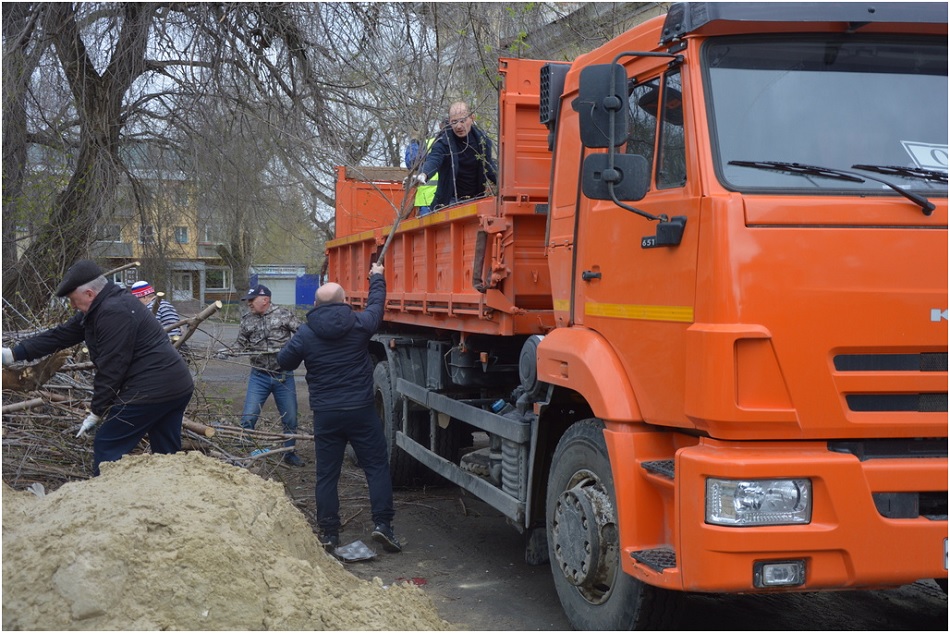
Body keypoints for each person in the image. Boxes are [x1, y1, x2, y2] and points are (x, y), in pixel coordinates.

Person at [0, 259, 194, 476]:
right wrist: (13, 354)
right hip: (176, 385)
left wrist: (96, 411)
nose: (73, 306)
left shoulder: (113, 312)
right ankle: (171, 494)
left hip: (151, 389)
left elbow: (113, 366)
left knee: (108, 443)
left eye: (74, 300)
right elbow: (60, 335)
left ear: (90, 294)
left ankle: (105, 502)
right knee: (166, 452)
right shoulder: (99, 309)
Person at [277, 261, 401, 554]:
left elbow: (284, 362)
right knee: (376, 466)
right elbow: (376, 306)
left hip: (327, 415)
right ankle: (383, 525)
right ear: (345, 301)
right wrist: (377, 278)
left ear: (315, 304)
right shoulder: (358, 324)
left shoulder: (306, 334)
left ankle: (329, 534)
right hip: (360, 410)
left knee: (327, 474)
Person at [234, 284, 303, 467]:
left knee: (290, 418)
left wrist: (292, 351)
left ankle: (289, 452)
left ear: (265, 300)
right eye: (248, 300)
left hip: (283, 376)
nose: (249, 303)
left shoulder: (284, 314)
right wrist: (227, 352)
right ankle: (243, 452)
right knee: (249, 416)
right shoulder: (247, 320)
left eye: (252, 299)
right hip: (259, 376)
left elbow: (303, 335)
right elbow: (240, 345)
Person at [415, 102, 498, 210]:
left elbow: (489, 167)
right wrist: (424, 174)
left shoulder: (482, 141)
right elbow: (434, 159)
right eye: (454, 122)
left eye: (462, 121)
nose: (459, 126)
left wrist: (504, 185)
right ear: (449, 121)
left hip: (476, 199)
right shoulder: (444, 142)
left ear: (472, 118)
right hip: (449, 201)